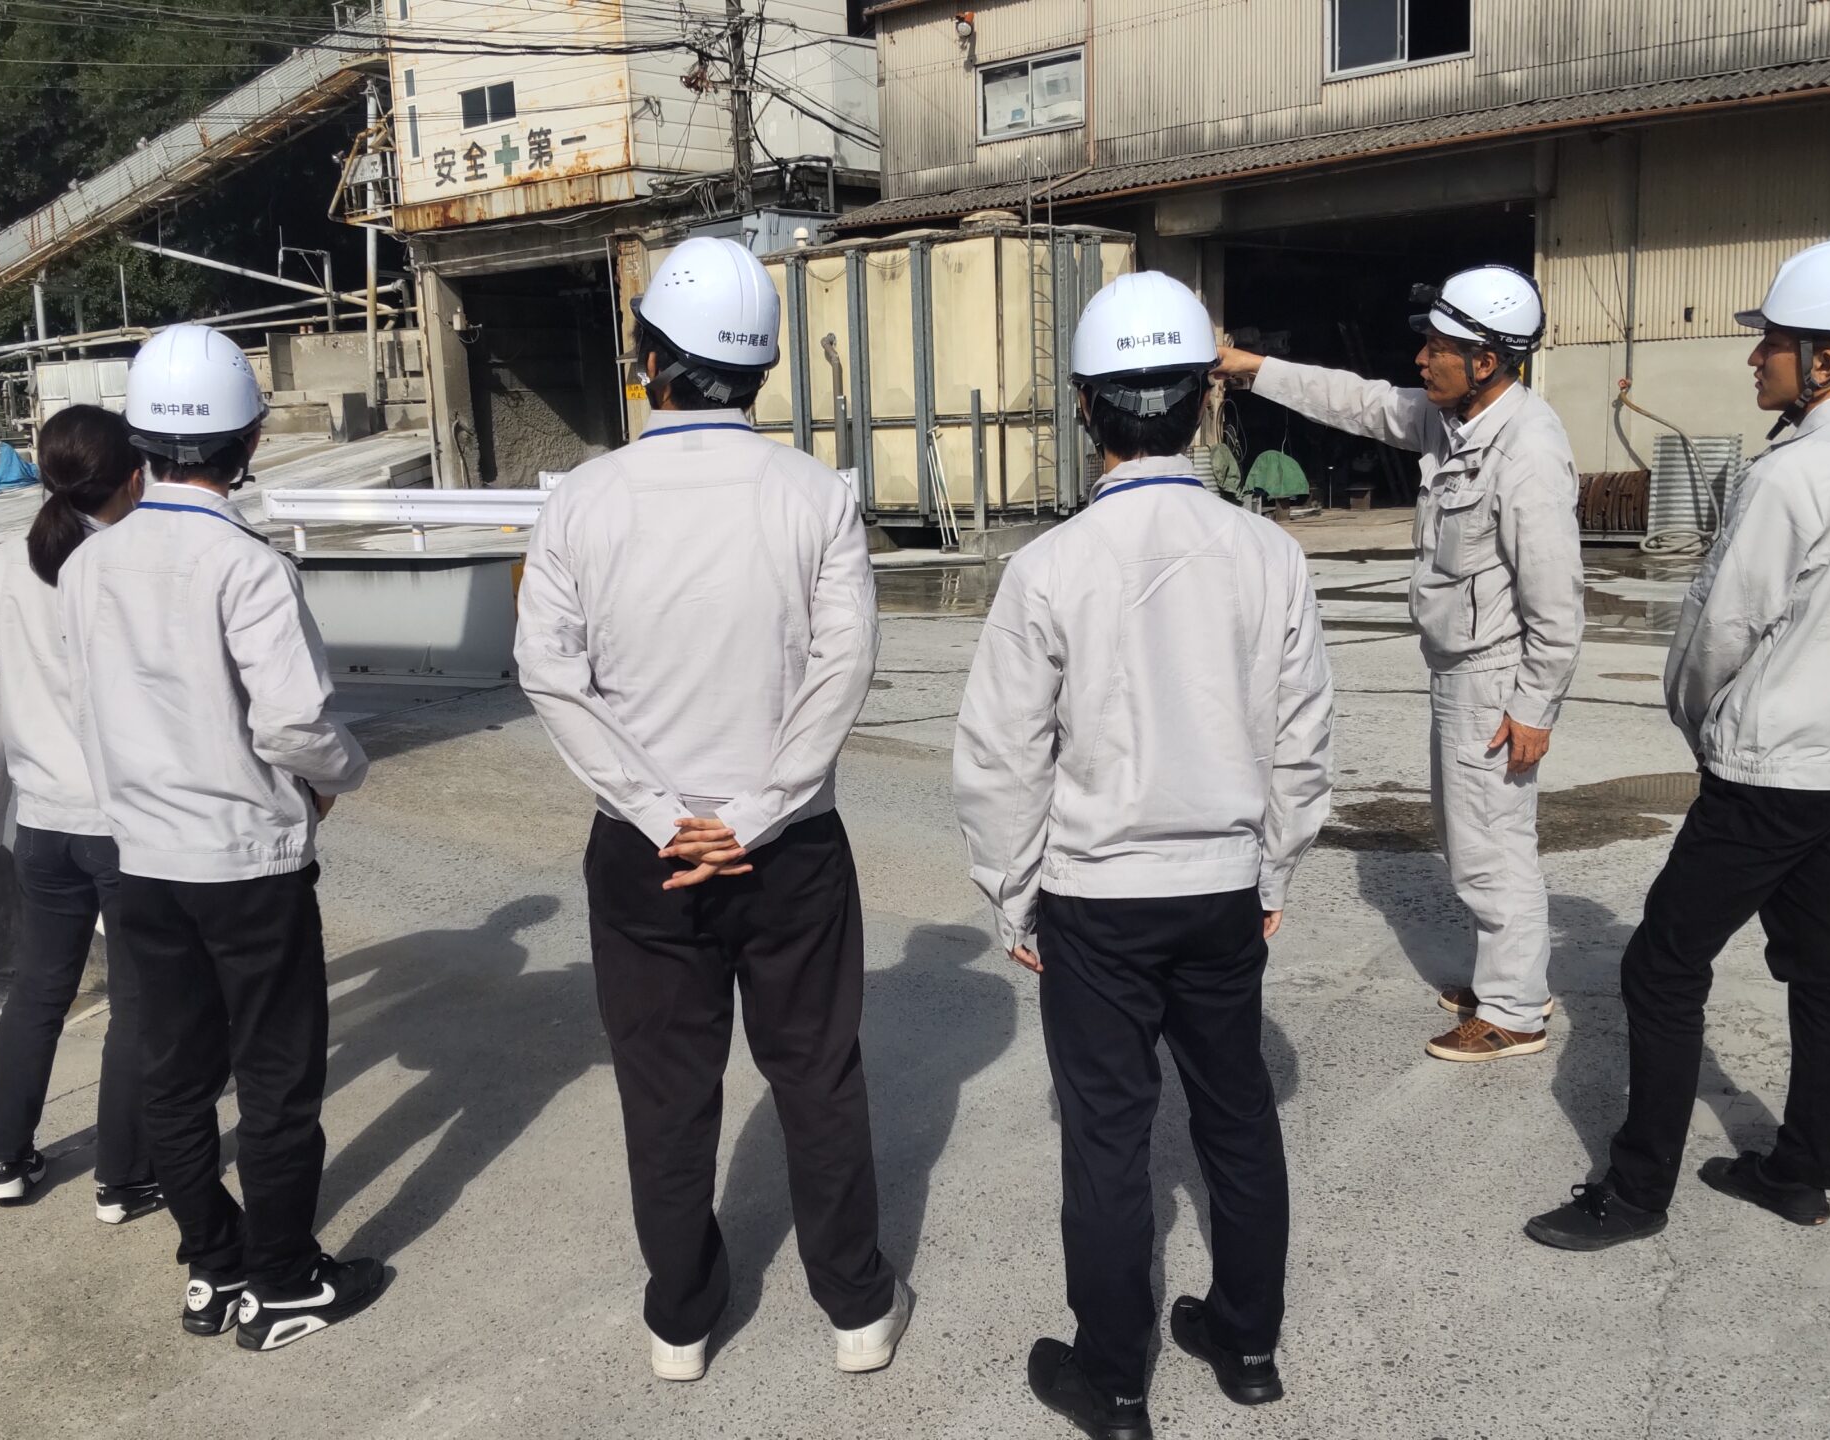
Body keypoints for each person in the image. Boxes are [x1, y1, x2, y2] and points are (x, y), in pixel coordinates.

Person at [515, 235, 911, 1384]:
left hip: (646, 855)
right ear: (762, 368)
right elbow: (843, 665)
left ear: (649, 359)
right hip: (788, 849)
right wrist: (756, 809)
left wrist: (657, 811)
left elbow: (549, 673)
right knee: (817, 1077)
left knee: (665, 1091)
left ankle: (681, 1320)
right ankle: (855, 1307)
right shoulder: (816, 496)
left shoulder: (582, 500)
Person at [957, 272, 1334, 1440]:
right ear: (1203, 404)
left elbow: (1001, 758)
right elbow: (1302, 736)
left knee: (1109, 1139)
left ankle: (1115, 1383)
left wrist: (1014, 899)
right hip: (1220, 889)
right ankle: (1248, 1344)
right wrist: (1274, 869)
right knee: (1236, 1116)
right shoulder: (1266, 554)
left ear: (1085, 407)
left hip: (1096, 899)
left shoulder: (1048, 567)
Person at [1526, 239, 1830, 1250]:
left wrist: (1697, 719)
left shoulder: (1795, 475)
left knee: (1661, 968)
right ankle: (1801, 1172)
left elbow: (1720, 629)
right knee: (1821, 965)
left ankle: (1635, 1194)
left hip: (1769, 771)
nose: (1755, 358)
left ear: (1827, 361)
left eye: (1774, 343)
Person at [59, 324, 379, 1351]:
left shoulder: (89, 565)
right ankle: (283, 1285)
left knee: (175, 1074)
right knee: (278, 1081)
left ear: (142, 443)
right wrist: (342, 776)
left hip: (143, 861)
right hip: (247, 863)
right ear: (247, 442)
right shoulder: (248, 565)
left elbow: (88, 712)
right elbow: (291, 724)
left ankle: (214, 1264)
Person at [1216, 265, 1584, 1062]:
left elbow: (1557, 602)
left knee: (1491, 846)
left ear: (1484, 360)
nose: (1421, 359)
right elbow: (1356, 400)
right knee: (1471, 834)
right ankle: (1510, 977)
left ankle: (1515, 1010)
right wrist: (1251, 368)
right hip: (1461, 668)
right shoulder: (1455, 421)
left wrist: (1535, 707)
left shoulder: (1526, 450)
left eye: (1437, 348)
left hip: (1495, 676)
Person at [0, 405, 157, 1223]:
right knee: (138, 1001)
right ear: (133, 476)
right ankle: (124, 1176)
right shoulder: (131, 561)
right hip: (124, 824)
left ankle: (3, 1157)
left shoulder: (7, 562)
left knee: (39, 989)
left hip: (42, 822)